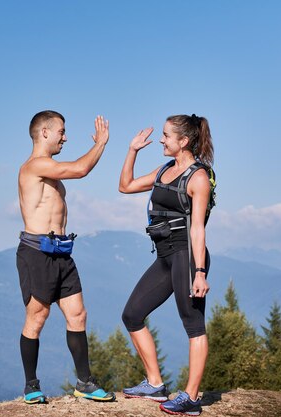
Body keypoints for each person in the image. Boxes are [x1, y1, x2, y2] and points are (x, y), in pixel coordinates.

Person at [16, 110, 115, 404]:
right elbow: (80, 169)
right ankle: (31, 386)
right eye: (61, 131)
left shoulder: (49, 170)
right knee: (37, 316)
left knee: (78, 314)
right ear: (44, 132)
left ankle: (85, 382)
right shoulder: (34, 166)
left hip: (61, 252)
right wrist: (101, 144)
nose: (65, 137)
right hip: (36, 252)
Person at [118, 114, 214, 416]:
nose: (161, 140)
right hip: (164, 256)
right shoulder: (164, 171)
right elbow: (126, 186)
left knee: (193, 325)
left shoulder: (198, 178)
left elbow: (198, 228)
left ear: (183, 141)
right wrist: (132, 150)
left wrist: (199, 272)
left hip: (188, 256)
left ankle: (192, 398)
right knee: (132, 314)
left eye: (165, 136)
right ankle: (155, 384)